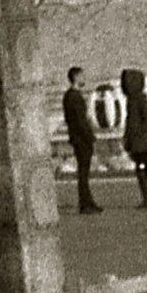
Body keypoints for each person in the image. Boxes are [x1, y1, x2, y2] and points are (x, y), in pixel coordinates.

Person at [121, 64, 147, 209]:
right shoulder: (132, 99)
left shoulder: (139, 99)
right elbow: (130, 120)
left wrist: (137, 131)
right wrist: (127, 136)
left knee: (144, 166)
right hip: (137, 140)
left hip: (141, 141)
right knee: (142, 166)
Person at [61, 69, 99, 215]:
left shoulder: (68, 96)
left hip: (76, 137)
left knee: (83, 171)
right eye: (82, 76)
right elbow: (80, 121)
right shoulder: (75, 97)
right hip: (81, 139)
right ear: (76, 77)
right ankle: (85, 203)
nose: (85, 78)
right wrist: (90, 137)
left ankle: (87, 201)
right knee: (84, 172)